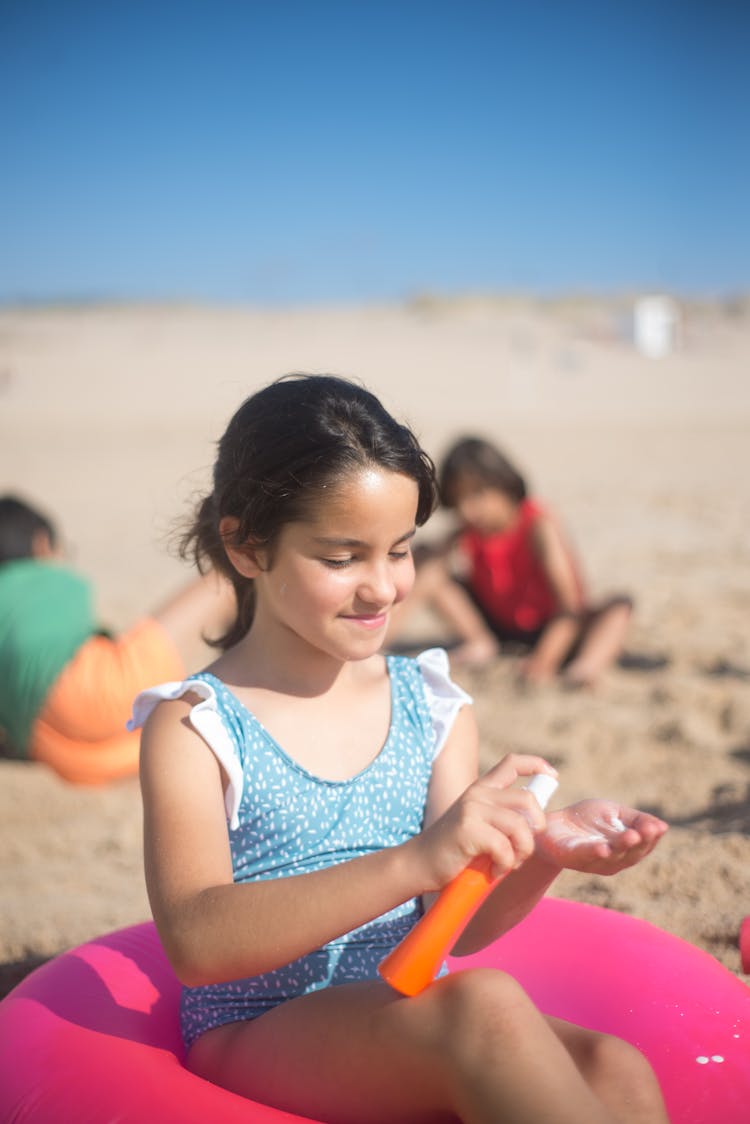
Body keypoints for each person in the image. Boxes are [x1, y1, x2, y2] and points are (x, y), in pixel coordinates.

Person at [132, 374, 669, 1123]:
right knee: (484, 1009)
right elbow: (196, 941)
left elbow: (460, 924)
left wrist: (536, 850)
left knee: (617, 1069)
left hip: (405, 1007)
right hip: (257, 1025)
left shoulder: (430, 704)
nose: (384, 587)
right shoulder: (197, 725)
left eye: (402, 550)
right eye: (343, 556)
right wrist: (417, 860)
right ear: (247, 547)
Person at [0, 494, 235, 783]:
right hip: (96, 692)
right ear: (42, 544)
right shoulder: (43, 575)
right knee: (227, 579)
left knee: (157, 736)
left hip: (55, 747)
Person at [391, 436, 633, 684]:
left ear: (503, 483)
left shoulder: (538, 525)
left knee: (619, 608)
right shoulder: (468, 531)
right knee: (429, 569)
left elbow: (568, 608)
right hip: (497, 626)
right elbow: (428, 571)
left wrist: (543, 661)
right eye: (459, 499)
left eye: (477, 494)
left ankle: (585, 668)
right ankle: (470, 642)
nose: (467, 510)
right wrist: (433, 554)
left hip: (553, 627)